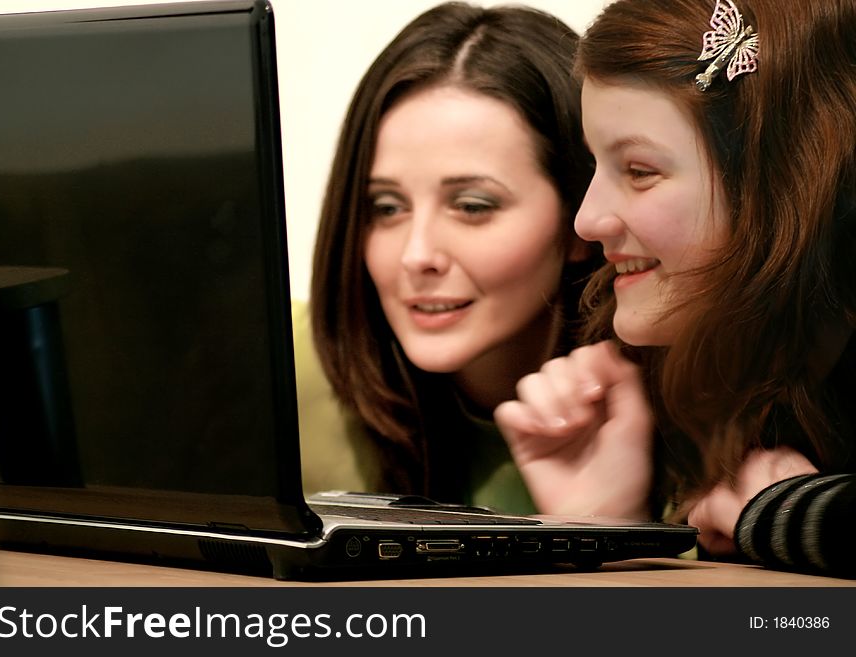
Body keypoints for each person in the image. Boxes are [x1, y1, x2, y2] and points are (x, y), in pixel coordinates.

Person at [495, 0, 856, 575]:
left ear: (781, 180)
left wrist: (788, 515)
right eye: (595, 166)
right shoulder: (676, 385)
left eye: (639, 171)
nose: (587, 221)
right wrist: (605, 524)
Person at [296, 1, 598, 515]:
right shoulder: (289, 373)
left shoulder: (682, 409)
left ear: (582, 219)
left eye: (472, 206)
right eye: (386, 207)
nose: (417, 256)